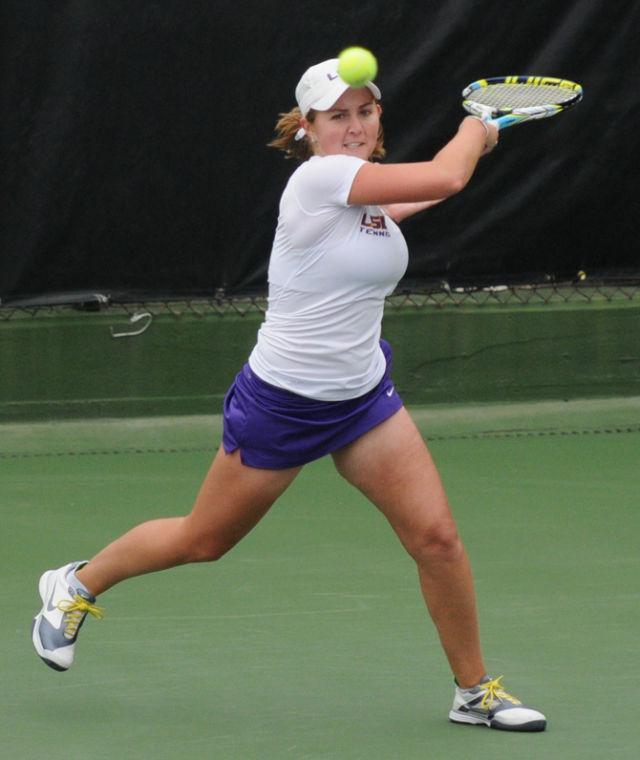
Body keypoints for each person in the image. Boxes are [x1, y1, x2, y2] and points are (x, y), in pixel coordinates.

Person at [32, 58, 546, 732]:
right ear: (308, 128)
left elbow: (417, 196)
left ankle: (473, 691)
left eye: (366, 112)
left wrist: (468, 150)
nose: (356, 126)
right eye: (338, 116)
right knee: (203, 540)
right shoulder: (319, 179)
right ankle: (76, 583)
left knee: (438, 540)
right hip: (283, 403)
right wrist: (475, 132)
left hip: (363, 398)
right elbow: (447, 173)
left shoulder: (358, 195)